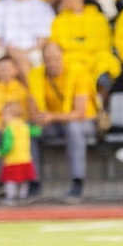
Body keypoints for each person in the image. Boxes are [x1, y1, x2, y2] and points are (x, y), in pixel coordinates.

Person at [28, 40, 96, 201]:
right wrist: (39, 118)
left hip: (83, 122)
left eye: (56, 58)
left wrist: (52, 116)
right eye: (48, 59)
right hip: (53, 123)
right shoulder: (35, 75)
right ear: (43, 60)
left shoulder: (78, 72)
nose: (52, 63)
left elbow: (80, 113)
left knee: (73, 128)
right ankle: (33, 182)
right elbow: (32, 109)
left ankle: (77, 182)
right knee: (28, 131)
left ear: (63, 57)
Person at [0, 100, 35, 204]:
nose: (3, 118)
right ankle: (23, 196)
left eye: (4, 115)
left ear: (12, 115)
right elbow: (36, 131)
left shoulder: (9, 129)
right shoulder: (25, 126)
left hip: (12, 160)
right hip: (26, 159)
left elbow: (8, 146)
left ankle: (11, 197)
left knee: (10, 180)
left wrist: (0, 152)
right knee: (24, 180)